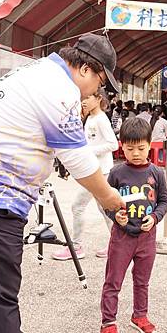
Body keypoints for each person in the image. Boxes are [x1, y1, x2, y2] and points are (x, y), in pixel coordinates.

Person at [0, 33, 126, 333]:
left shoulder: (36, 73)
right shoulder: (60, 90)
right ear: (88, 70)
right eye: (102, 84)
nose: (97, 93)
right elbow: (79, 160)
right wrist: (109, 198)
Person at [98, 118, 167, 333]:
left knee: (142, 281)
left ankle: (139, 316)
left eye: (140, 148)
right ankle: (107, 324)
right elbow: (106, 201)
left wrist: (155, 217)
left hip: (147, 239)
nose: (136, 153)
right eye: (130, 149)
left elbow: (164, 201)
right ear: (122, 146)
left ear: (150, 145)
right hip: (122, 238)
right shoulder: (116, 173)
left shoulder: (157, 173)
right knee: (113, 281)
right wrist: (114, 216)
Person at [52, 87, 119, 261]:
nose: (84, 100)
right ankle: (116, 243)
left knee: (78, 206)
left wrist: (89, 151)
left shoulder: (101, 119)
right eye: (83, 97)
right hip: (95, 169)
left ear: (99, 99)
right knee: (104, 208)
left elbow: (113, 144)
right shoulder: (90, 118)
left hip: (100, 171)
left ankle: (77, 246)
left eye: (88, 97)